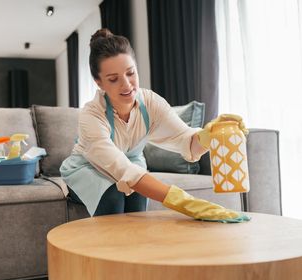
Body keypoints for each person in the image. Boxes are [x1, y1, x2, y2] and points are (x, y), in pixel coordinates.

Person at [60, 28, 249, 222]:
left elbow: (187, 141)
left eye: (130, 73)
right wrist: (186, 203)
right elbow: (122, 169)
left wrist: (209, 135)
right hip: (88, 169)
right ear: (99, 82)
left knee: (137, 202)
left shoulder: (150, 103)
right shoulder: (91, 115)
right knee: (113, 196)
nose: (127, 85)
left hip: (131, 165)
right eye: (114, 79)